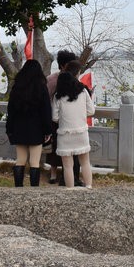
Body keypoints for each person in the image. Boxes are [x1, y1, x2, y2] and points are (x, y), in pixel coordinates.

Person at [6, 59, 53, 186]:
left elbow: (10, 110)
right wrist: (48, 130)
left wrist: (9, 129)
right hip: (36, 130)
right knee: (34, 162)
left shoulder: (17, 88)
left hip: (19, 128)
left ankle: (18, 188)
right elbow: (46, 111)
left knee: (20, 160)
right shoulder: (41, 88)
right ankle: (33, 190)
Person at [52, 70, 94, 189]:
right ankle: (89, 186)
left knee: (67, 166)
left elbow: (54, 117)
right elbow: (91, 111)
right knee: (85, 162)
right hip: (81, 132)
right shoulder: (83, 92)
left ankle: (70, 190)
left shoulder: (57, 96)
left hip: (65, 135)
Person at [46, 49, 77, 185]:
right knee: (56, 146)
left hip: (62, 118)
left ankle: (62, 173)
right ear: (64, 65)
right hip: (58, 118)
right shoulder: (53, 80)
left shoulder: (53, 79)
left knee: (61, 147)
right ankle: (56, 172)